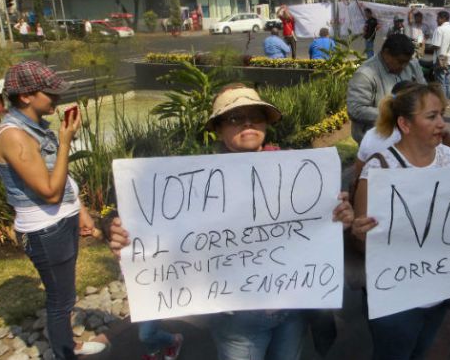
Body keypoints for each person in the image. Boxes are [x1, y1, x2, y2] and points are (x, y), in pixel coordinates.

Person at [107, 84, 354, 360]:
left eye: (256, 116)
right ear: (218, 128)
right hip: (237, 321)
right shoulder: (193, 184)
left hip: (291, 311)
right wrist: (129, 241)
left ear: (266, 124)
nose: (248, 123)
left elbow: (315, 233)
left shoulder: (297, 170)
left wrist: (338, 219)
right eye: (235, 118)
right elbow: (169, 237)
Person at [0, 61, 106, 359]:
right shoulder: (14, 136)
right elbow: (50, 192)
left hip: (59, 223)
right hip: (44, 228)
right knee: (60, 300)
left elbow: (60, 181)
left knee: (65, 295)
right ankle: (66, 353)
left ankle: (70, 346)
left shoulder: (35, 129)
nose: (57, 99)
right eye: (50, 93)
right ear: (25, 96)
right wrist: (65, 142)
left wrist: (80, 211)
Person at [351, 83, 450, 360]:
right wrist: (359, 231)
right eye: (431, 116)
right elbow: (364, 242)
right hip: (395, 300)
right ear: (405, 123)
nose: (442, 124)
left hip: (438, 292)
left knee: (419, 353)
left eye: (441, 115)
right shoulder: (379, 169)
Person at [346, 33, 426, 144]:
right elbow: (355, 110)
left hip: (407, 138)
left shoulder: (412, 65)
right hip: (376, 141)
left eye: (406, 62)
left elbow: (424, 92)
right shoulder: (365, 74)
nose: (403, 66)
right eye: (400, 61)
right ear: (386, 53)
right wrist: (393, 115)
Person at [428, 11, 450, 100]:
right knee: (447, 82)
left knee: (441, 83)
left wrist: (428, 46)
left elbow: (436, 46)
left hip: (440, 60)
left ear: (443, 19)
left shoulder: (439, 29)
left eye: (437, 18)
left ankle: (443, 102)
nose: (436, 20)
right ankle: (446, 102)